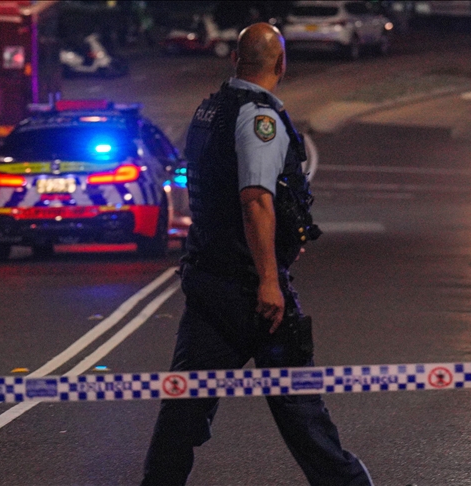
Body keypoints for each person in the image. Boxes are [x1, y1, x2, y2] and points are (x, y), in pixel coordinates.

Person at [141, 23, 373, 486]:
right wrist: (269, 279)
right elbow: (256, 200)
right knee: (301, 409)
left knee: (184, 408)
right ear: (281, 65)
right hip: (249, 289)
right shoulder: (258, 118)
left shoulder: (213, 108)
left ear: (235, 60)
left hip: (210, 278)